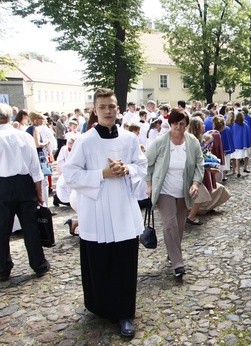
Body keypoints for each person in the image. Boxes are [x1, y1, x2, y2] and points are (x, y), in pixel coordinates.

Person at [62, 88, 147, 337]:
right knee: (101, 262)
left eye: (112, 106)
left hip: (122, 209)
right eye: (103, 107)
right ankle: (100, 306)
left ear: (118, 108)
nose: (108, 111)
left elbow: (141, 165)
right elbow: (70, 174)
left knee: (124, 264)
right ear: (95, 110)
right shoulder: (85, 141)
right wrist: (102, 174)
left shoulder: (129, 139)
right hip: (97, 212)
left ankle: (124, 314)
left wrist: (127, 170)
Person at [146, 108, 204, 277]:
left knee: (179, 226)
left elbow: (199, 164)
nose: (178, 127)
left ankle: (172, 253)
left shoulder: (192, 142)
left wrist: (195, 184)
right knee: (169, 224)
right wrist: (149, 185)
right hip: (164, 189)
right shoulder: (161, 142)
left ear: (186, 125)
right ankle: (178, 264)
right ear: (170, 124)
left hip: (184, 190)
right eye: (175, 123)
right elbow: (148, 163)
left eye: (182, 124)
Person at [0, 103, 50, 281]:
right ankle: (39, 263)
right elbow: (35, 167)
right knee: (30, 227)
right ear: (9, 117)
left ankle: (2, 268)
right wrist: (39, 192)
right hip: (24, 183)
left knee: (2, 229)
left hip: (3, 185)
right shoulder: (23, 136)